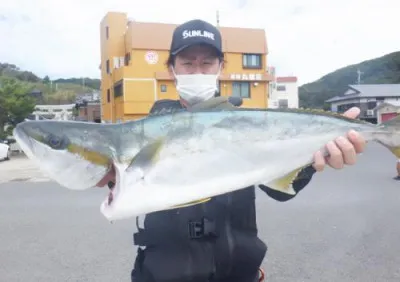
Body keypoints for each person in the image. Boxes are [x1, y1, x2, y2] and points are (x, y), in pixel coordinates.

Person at [96, 19, 366, 282]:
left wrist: (311, 159)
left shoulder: (247, 124)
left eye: (207, 63)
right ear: (172, 69)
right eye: (188, 63)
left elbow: (278, 190)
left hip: (238, 274)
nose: (197, 72)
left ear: (221, 67)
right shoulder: (143, 133)